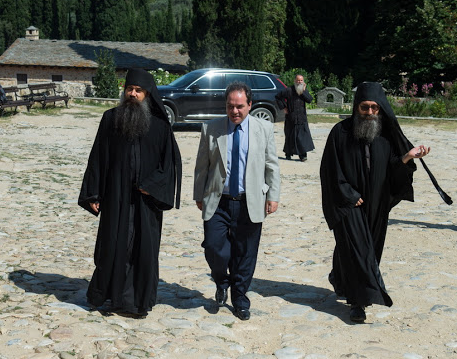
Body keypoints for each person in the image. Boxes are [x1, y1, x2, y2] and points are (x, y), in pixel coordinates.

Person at [320, 81, 451, 323]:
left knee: (362, 248)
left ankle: (339, 276)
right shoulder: (340, 133)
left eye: (374, 108)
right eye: (364, 108)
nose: (369, 113)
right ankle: (360, 303)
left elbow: (391, 172)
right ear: (356, 107)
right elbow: (330, 170)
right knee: (360, 250)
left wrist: (406, 157)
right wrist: (348, 194)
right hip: (349, 204)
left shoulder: (386, 137)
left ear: (381, 109)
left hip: (376, 205)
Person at [78, 68, 182, 318]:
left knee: (143, 250)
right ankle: (110, 297)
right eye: (129, 89)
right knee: (112, 246)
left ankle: (137, 302)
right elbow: (98, 158)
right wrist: (93, 194)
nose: (133, 94)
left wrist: (152, 186)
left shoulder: (159, 127)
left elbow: (168, 166)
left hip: (146, 203)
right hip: (116, 198)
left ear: (148, 94)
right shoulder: (110, 119)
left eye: (139, 90)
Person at [193, 81, 281, 321]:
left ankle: (240, 298)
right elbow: (202, 165)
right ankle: (222, 280)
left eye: (240, 106)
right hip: (218, 201)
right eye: (230, 106)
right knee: (213, 247)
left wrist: (273, 196)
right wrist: (198, 194)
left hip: (249, 201)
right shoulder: (211, 128)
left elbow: (271, 165)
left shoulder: (263, 128)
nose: (235, 111)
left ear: (250, 105)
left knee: (246, 253)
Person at [275, 74, 315, 161]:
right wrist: (284, 107)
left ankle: (303, 156)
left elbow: (309, 100)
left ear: (303, 82)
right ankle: (288, 153)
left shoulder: (303, 91)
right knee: (290, 136)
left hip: (301, 118)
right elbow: (278, 97)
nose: (299, 82)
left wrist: (304, 91)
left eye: (301, 80)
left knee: (302, 137)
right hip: (291, 118)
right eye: (298, 80)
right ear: (295, 81)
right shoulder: (289, 90)